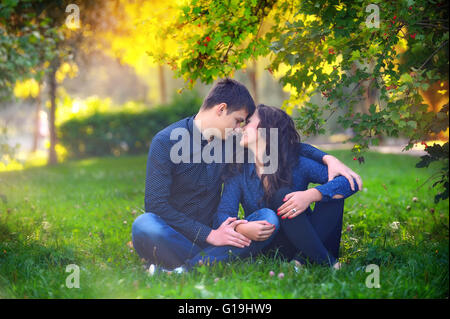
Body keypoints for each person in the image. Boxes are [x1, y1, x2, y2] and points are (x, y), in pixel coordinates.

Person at [131, 78, 362, 272]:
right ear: (221, 109)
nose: (239, 128)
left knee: (268, 217)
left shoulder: (230, 141)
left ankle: (186, 266)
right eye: (238, 121)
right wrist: (210, 235)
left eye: (244, 123)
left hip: (224, 235)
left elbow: (281, 142)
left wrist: (327, 158)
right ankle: (206, 260)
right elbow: (156, 205)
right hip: (182, 235)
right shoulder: (166, 141)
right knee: (144, 224)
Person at [215, 105, 360, 269]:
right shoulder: (239, 169)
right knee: (282, 195)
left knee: (333, 194)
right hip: (271, 245)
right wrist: (241, 227)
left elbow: (350, 183)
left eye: (248, 122)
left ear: (266, 130)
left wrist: (310, 195)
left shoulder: (296, 162)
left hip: (307, 238)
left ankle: (300, 262)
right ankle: (327, 264)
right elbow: (224, 213)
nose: (242, 127)